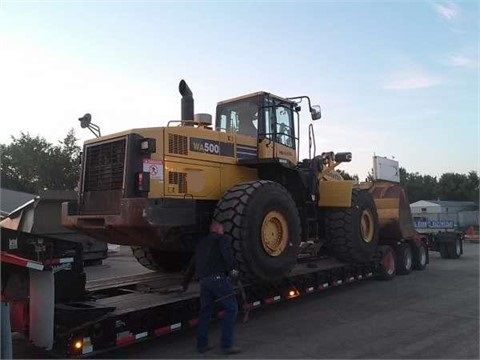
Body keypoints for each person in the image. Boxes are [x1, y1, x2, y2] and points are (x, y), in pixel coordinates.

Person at [181, 220, 241, 355]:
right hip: (218, 279)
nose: (223, 231)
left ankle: (202, 345)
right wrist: (234, 272)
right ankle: (227, 345)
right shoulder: (221, 239)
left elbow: (192, 264)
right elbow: (228, 256)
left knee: (205, 312)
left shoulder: (201, 243)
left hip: (204, 282)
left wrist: (184, 283)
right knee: (231, 308)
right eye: (222, 229)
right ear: (218, 229)